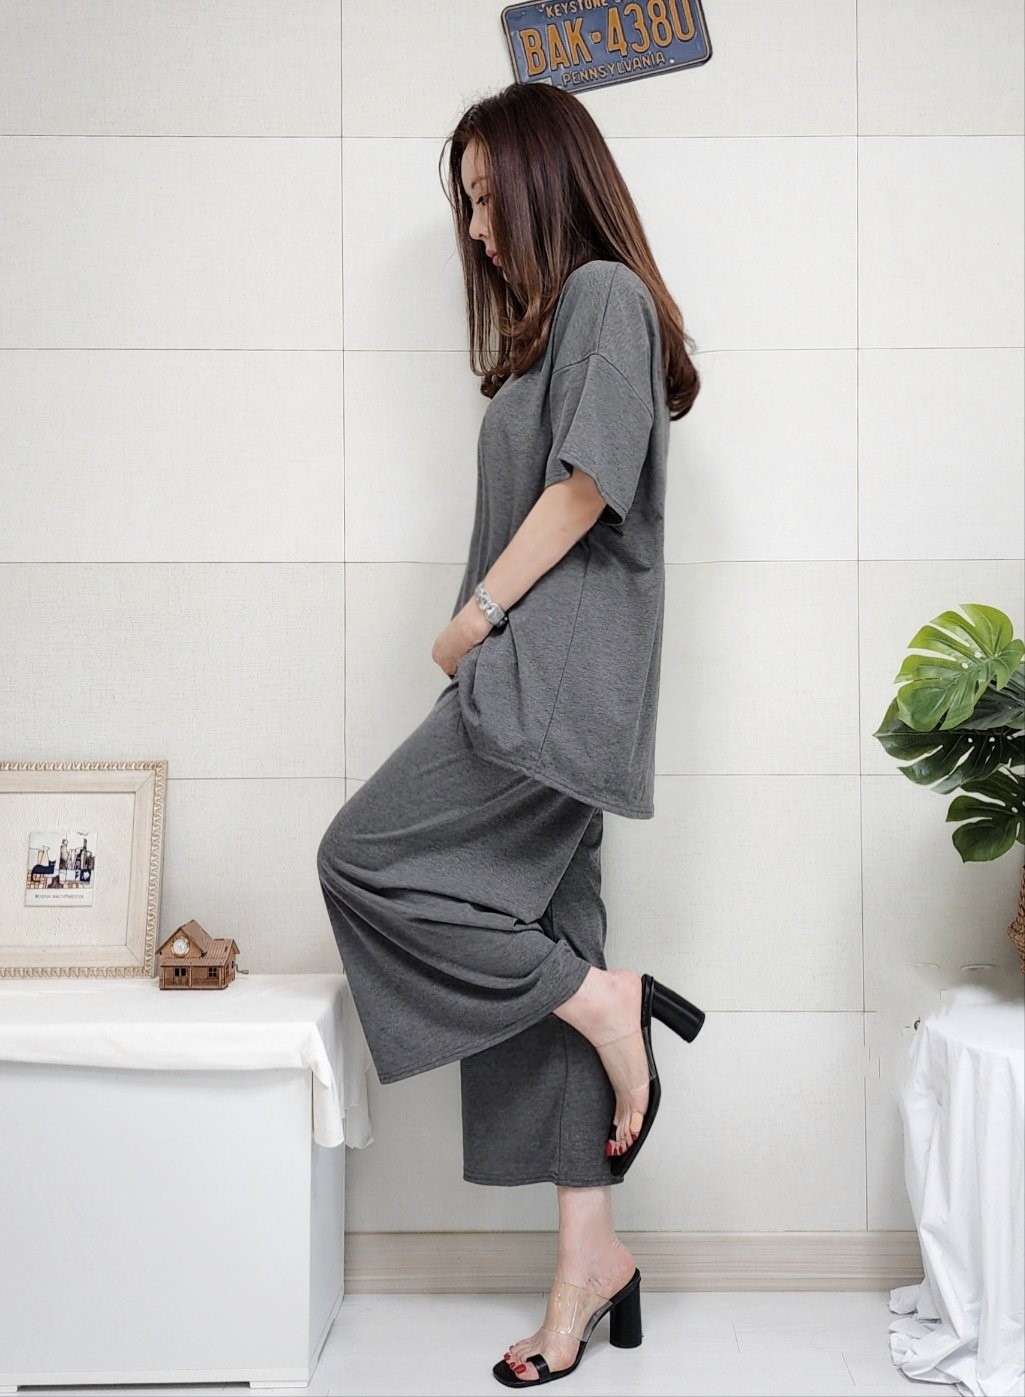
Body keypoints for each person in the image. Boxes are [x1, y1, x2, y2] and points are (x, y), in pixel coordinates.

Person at [317, 81, 703, 1388]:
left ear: (547, 183)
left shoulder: (605, 295)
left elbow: (587, 487)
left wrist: (472, 620)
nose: (476, 230)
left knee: (364, 858)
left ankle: (607, 1003)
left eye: (488, 198)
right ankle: (590, 1263)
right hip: (536, 685)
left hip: (548, 684)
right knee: (549, 939)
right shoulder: (559, 331)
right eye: (467, 204)